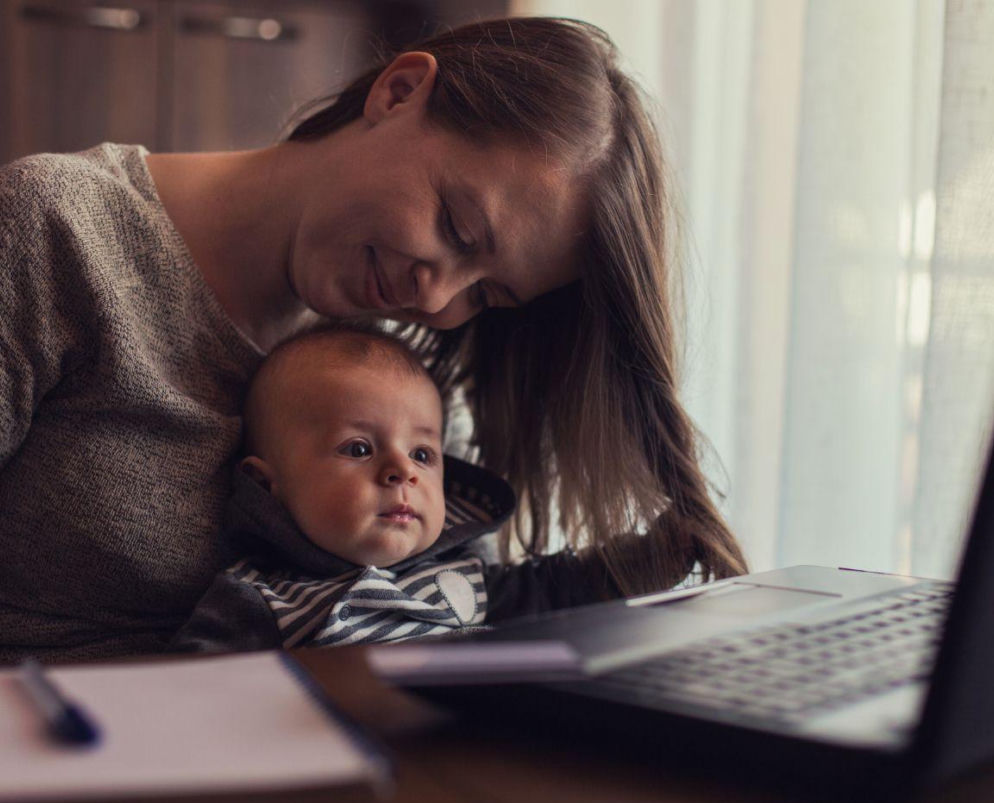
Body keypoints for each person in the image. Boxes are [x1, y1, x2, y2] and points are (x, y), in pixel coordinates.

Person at [0, 16, 745, 664]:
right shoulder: (54, 231)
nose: (437, 297)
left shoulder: (399, 364)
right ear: (397, 92)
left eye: (485, 293)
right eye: (456, 227)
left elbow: (458, 602)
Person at [172, 324, 614, 652]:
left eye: (422, 454)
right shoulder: (259, 602)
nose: (403, 471)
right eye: (360, 448)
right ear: (267, 486)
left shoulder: (462, 576)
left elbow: (556, 591)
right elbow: (193, 699)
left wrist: (652, 556)